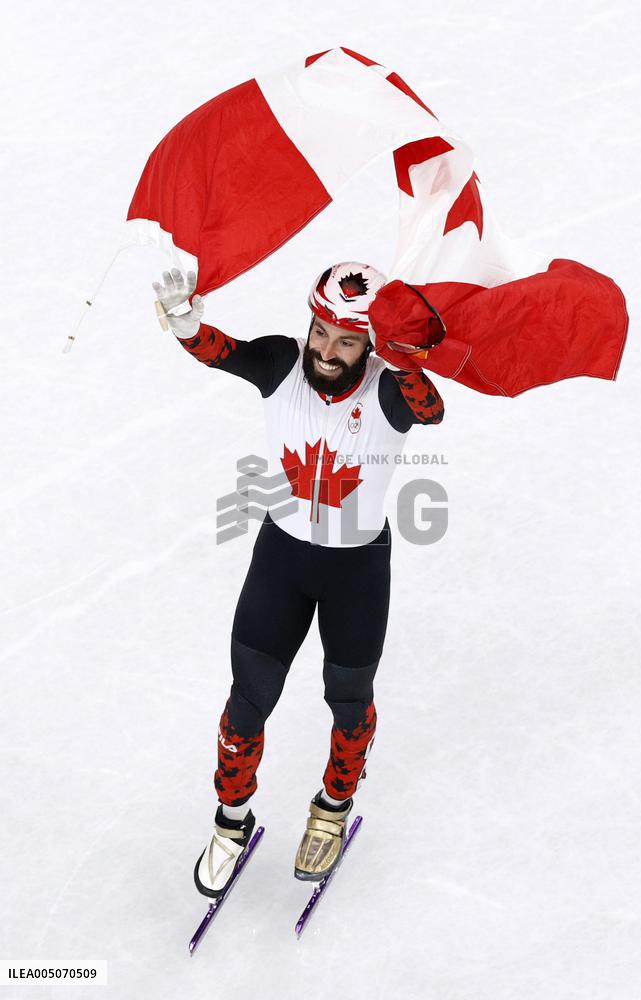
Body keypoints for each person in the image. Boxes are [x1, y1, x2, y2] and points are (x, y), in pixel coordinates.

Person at [151, 262, 444, 896]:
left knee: (348, 701)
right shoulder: (284, 364)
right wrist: (185, 322)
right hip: (281, 561)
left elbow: (432, 408)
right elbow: (218, 352)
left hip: (356, 571)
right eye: (320, 333)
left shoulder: (388, 389)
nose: (327, 352)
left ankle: (332, 809)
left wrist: (406, 358)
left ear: (368, 344)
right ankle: (232, 819)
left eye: (346, 341)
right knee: (246, 702)